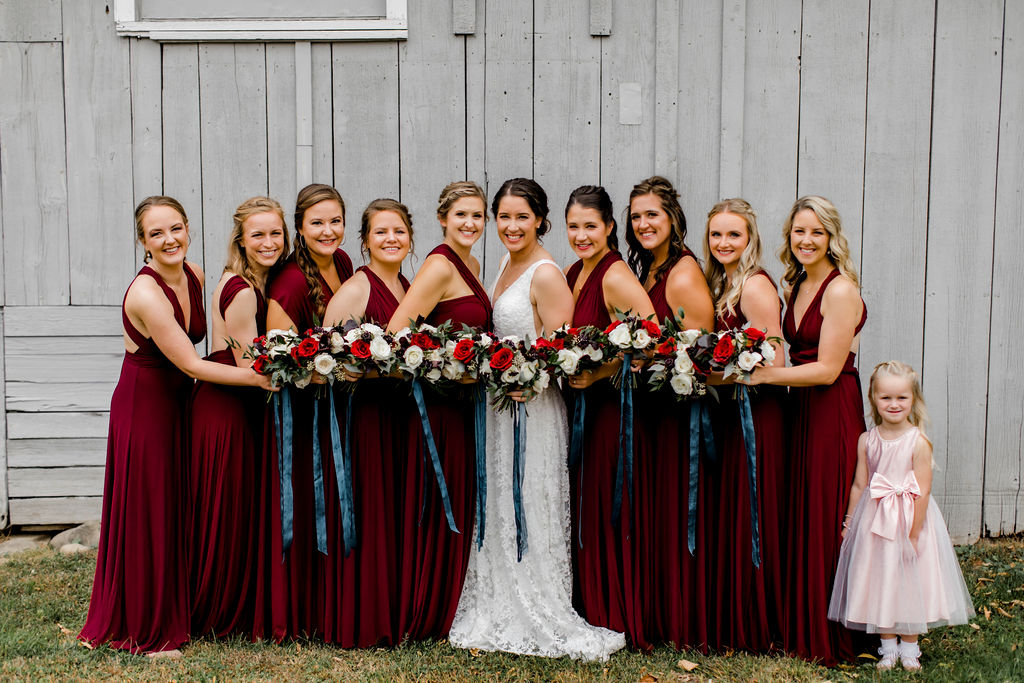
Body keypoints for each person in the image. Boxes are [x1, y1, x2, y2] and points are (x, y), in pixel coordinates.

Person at [79, 196, 273, 657]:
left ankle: (186, 603)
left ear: (187, 229)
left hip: (181, 402)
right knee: (151, 512)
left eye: (176, 229)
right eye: (156, 234)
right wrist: (259, 375)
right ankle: (150, 628)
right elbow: (190, 362)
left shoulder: (196, 274)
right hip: (145, 406)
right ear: (143, 242)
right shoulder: (145, 293)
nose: (169, 240)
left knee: (178, 508)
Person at [449, 178, 626, 660]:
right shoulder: (506, 261)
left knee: (529, 499)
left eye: (521, 217)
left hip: (533, 406)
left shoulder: (547, 274)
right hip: (498, 406)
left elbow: (561, 351)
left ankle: (538, 606)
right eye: (502, 217)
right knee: (501, 500)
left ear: (540, 220)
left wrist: (529, 378)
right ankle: (499, 600)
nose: (510, 226)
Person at [741, 195, 867, 666]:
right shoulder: (795, 285)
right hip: (800, 410)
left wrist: (763, 376)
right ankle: (800, 623)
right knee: (804, 513)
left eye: (816, 232)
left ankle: (833, 631)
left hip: (831, 407)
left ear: (831, 236)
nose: (806, 240)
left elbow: (829, 369)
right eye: (799, 231)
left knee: (826, 514)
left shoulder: (839, 289)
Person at [387, 181, 493, 640]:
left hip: (463, 407)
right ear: (443, 218)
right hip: (437, 406)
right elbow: (396, 336)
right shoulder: (438, 265)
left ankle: (447, 602)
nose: (470, 224)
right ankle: (425, 607)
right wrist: (452, 369)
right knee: (437, 503)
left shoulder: (468, 262)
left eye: (478, 216)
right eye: (461, 215)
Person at [829, 361, 974, 671]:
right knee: (880, 580)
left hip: (909, 521)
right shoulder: (867, 440)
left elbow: (922, 491)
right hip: (875, 522)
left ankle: (910, 649)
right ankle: (888, 648)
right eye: (886, 398)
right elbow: (859, 484)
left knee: (909, 583)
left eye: (902, 398)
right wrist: (849, 523)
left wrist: (914, 532)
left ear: (913, 399)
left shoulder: (918, 442)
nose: (894, 405)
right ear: (873, 399)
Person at [189, 196, 289, 639]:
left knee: (236, 508)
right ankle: (214, 611)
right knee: (224, 511)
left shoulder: (259, 281)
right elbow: (254, 368)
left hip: (235, 401)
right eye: (258, 235)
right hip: (226, 407)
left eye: (275, 234)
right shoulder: (244, 290)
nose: (269, 243)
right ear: (241, 241)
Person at [624, 176, 715, 651]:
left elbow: (699, 353)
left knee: (679, 512)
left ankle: (680, 619)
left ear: (673, 218)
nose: (643, 224)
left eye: (652, 214)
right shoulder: (650, 271)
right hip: (653, 412)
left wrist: (648, 360)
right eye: (636, 216)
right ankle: (656, 614)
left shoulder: (681, 273)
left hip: (679, 415)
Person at [563, 185, 655, 649]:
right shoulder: (575, 271)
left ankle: (614, 609)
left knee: (606, 506)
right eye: (574, 226)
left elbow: (654, 341)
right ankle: (589, 604)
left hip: (612, 409)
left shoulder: (614, 275)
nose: (581, 235)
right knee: (586, 503)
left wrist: (599, 373)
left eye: (590, 226)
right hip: (583, 408)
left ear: (610, 228)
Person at [320, 199, 414, 647]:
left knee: (391, 510)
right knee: (367, 510)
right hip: (363, 417)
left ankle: (393, 608)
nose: (391, 239)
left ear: (410, 238)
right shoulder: (358, 288)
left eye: (398, 231)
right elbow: (329, 360)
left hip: (399, 416)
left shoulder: (408, 285)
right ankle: (361, 616)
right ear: (365, 241)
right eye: (381, 232)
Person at [266, 183, 354, 639]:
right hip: (303, 417)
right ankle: (302, 609)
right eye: (317, 222)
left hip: (338, 410)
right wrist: (318, 374)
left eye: (335, 221)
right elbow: (277, 363)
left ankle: (332, 596)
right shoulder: (291, 282)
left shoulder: (342, 263)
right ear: (299, 227)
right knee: (307, 504)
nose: (327, 230)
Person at [701, 198, 786, 651]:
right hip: (732, 411)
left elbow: (776, 356)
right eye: (716, 234)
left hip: (757, 413)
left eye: (734, 234)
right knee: (734, 508)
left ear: (750, 238)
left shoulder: (753, 286)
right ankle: (732, 618)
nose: (724, 242)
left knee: (753, 511)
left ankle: (756, 623)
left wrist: (716, 370)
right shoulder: (724, 283)